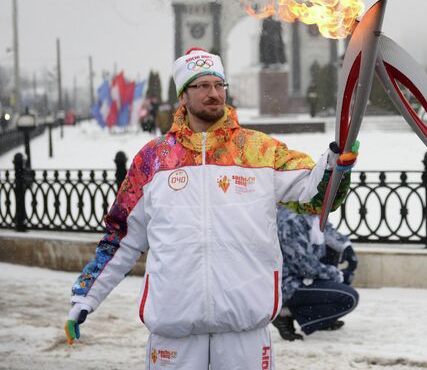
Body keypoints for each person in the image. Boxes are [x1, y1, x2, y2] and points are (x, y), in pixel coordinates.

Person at [64, 47, 357, 370]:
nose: (214, 93)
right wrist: (86, 298)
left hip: (244, 332)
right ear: (183, 96)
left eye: (219, 85)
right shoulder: (154, 160)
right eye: (201, 86)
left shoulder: (259, 150)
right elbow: (121, 237)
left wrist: (336, 166)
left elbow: (316, 194)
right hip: (174, 333)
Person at [271, 205, 359, 341]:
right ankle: (285, 314)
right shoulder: (290, 220)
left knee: (333, 250)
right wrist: (338, 275)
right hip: (288, 284)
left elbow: (324, 227)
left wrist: (346, 247)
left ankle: (319, 318)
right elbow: (303, 266)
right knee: (349, 298)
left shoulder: (305, 208)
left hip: (305, 276)